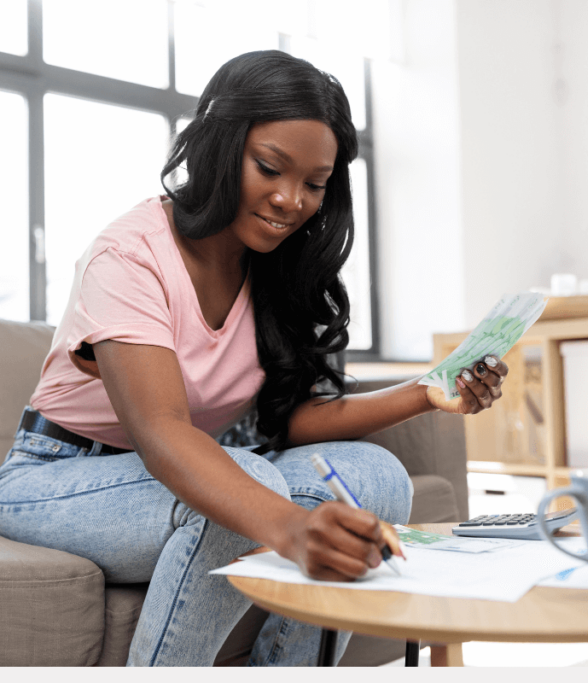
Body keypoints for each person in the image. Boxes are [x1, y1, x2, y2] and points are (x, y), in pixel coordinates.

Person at [0, 50, 508, 666]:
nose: (291, 200)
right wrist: (291, 528)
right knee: (244, 483)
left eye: (314, 184)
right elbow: (161, 432)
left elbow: (288, 420)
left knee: (374, 477)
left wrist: (426, 392)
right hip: (54, 480)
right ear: (221, 146)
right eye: (269, 167)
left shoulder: (278, 269)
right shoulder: (130, 255)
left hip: (190, 465)